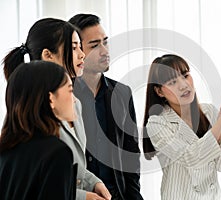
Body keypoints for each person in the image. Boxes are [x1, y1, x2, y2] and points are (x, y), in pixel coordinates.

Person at [2, 18, 111, 200]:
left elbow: (75, 166)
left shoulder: (75, 102)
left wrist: (94, 183)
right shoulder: (28, 108)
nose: (82, 54)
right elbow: (30, 182)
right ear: (48, 55)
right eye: (74, 47)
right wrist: (85, 197)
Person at [143, 54, 221, 199]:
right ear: (159, 91)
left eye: (185, 75)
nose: (183, 85)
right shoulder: (157, 123)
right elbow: (191, 158)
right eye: (172, 82)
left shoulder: (209, 112)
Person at [69, 14, 143, 200]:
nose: (104, 51)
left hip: (117, 195)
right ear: (77, 50)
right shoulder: (65, 96)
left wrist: (134, 196)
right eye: (95, 45)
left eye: (105, 42)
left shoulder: (122, 93)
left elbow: (131, 153)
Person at [0, 61, 77, 200]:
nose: (75, 100)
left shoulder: (5, 149)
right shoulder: (57, 153)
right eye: (70, 90)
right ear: (51, 98)